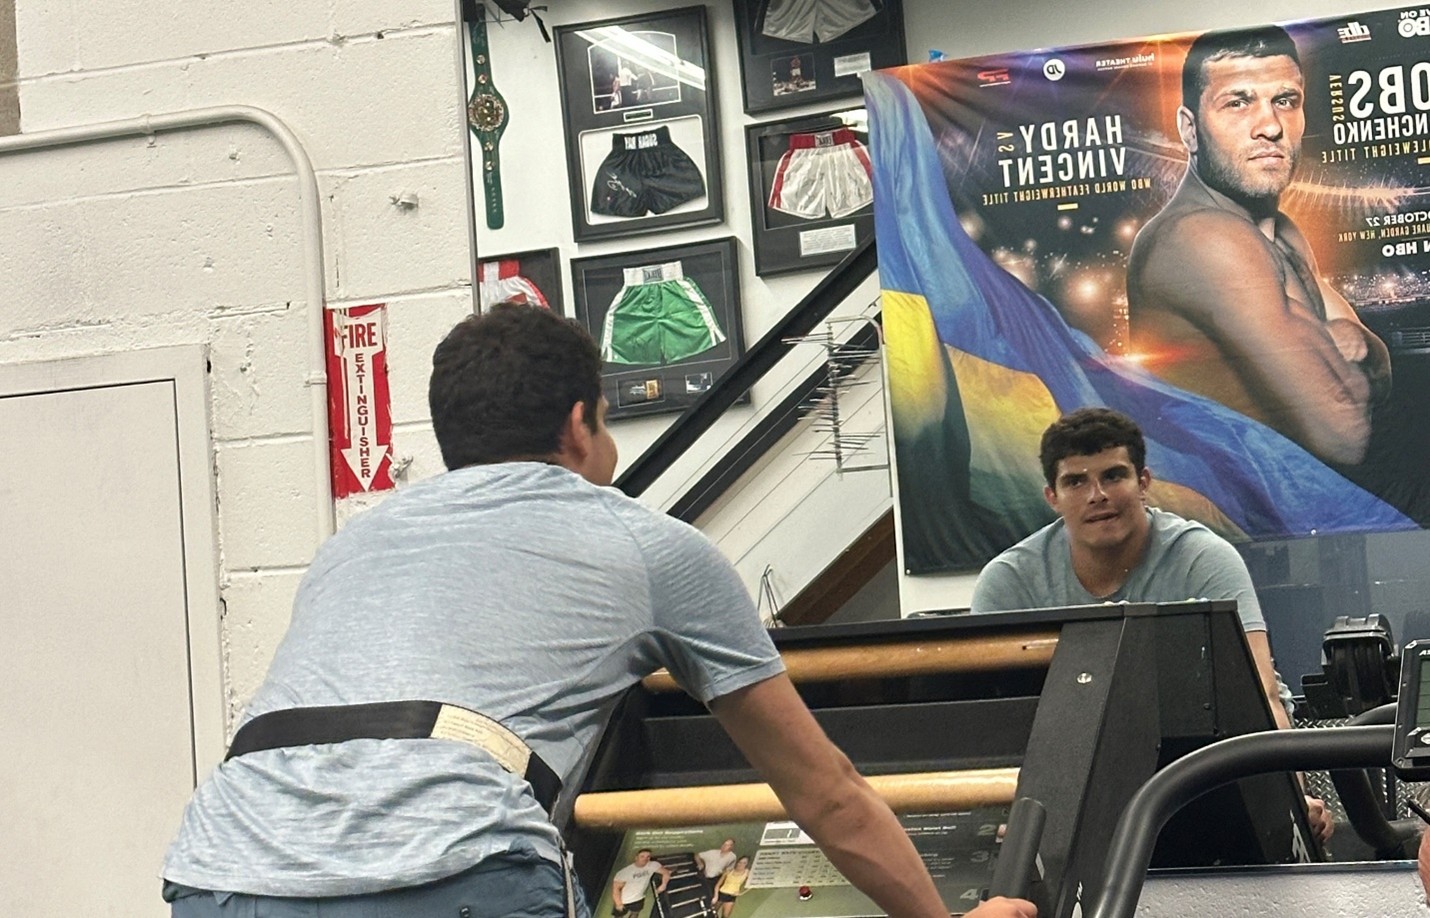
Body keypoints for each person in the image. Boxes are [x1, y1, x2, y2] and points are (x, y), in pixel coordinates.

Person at [159, 304, 1036, 918]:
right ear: (580, 425)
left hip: (224, 871)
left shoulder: (353, 543)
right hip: (450, 870)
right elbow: (824, 792)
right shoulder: (646, 545)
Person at [969, 407, 1333, 843]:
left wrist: (1289, 801)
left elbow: (1263, 694)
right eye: (1076, 482)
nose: (1097, 495)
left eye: (1113, 476)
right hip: (1070, 785)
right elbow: (996, 728)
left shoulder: (1205, 559)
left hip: (1205, 778)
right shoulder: (1007, 582)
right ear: (1052, 496)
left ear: (1143, 483)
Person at [1126, 26, 1390, 467]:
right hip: (1241, 522)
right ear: (1189, 130)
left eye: (1285, 101)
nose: (1269, 126)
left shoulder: (1281, 232)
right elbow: (1347, 433)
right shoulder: (1202, 237)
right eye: (1237, 102)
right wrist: (1337, 349)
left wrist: (1355, 350)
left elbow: (1378, 364)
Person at [611, 850, 670, 918]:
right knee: (618, 916)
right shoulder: (625, 872)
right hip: (624, 900)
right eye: (642, 856)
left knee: (635, 914)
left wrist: (663, 885)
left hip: (639, 898)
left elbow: (666, 873)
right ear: (636, 858)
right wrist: (618, 904)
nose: (645, 859)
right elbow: (616, 889)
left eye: (648, 857)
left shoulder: (653, 865)